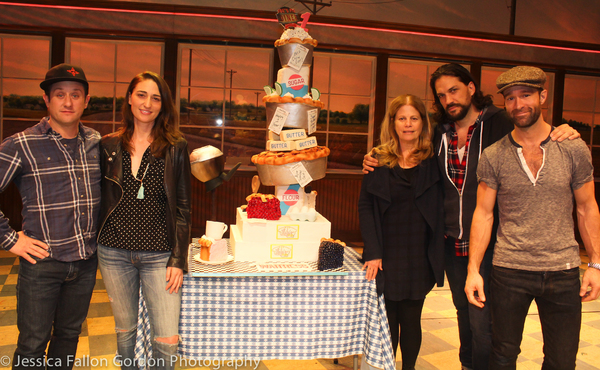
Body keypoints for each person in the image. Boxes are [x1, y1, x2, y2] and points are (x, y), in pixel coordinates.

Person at [363, 63, 579, 370]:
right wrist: (373, 157)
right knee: (463, 314)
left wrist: (562, 130)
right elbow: (404, 155)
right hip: (451, 243)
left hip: (490, 242)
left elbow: (532, 129)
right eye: (441, 95)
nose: (448, 99)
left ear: (471, 88)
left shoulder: (500, 122)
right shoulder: (439, 132)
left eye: (454, 90)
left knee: (484, 324)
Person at [465, 66, 600, 369]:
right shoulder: (494, 155)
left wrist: (595, 263)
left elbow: (587, 207)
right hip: (509, 271)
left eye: (525, 95)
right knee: (502, 357)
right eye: (510, 98)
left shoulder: (573, 148)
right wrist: (473, 270)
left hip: (562, 271)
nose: (518, 104)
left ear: (543, 96)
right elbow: (483, 214)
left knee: (562, 360)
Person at [0, 64, 101, 369]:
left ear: (86, 100)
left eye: (75, 95)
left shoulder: (96, 142)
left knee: (68, 337)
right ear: (47, 99)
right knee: (32, 346)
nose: (68, 102)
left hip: (85, 265)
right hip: (42, 265)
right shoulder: (22, 144)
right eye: (59, 94)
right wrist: (10, 239)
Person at [97, 71, 191, 370]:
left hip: (160, 257)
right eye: (141, 94)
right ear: (129, 97)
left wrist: (178, 259)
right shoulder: (108, 146)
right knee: (125, 334)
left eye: (155, 97)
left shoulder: (175, 147)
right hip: (113, 253)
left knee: (166, 339)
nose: (147, 103)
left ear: (162, 106)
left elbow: (184, 208)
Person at [359, 94, 444, 370]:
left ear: (423, 122)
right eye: (402, 118)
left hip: (420, 251)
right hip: (386, 251)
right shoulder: (377, 159)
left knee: (411, 318)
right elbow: (366, 206)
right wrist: (372, 252)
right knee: (387, 318)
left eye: (414, 118)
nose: (408, 124)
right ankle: (386, 366)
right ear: (393, 122)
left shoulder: (435, 158)